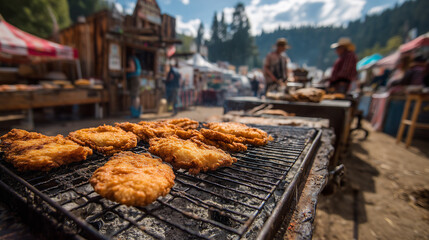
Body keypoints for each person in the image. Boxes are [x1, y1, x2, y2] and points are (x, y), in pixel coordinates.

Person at [126, 49, 142, 118]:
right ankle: (136, 112)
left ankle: (134, 113)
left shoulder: (131, 59)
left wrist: (124, 69)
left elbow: (132, 69)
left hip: (134, 78)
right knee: (136, 95)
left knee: (134, 96)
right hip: (137, 78)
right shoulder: (136, 59)